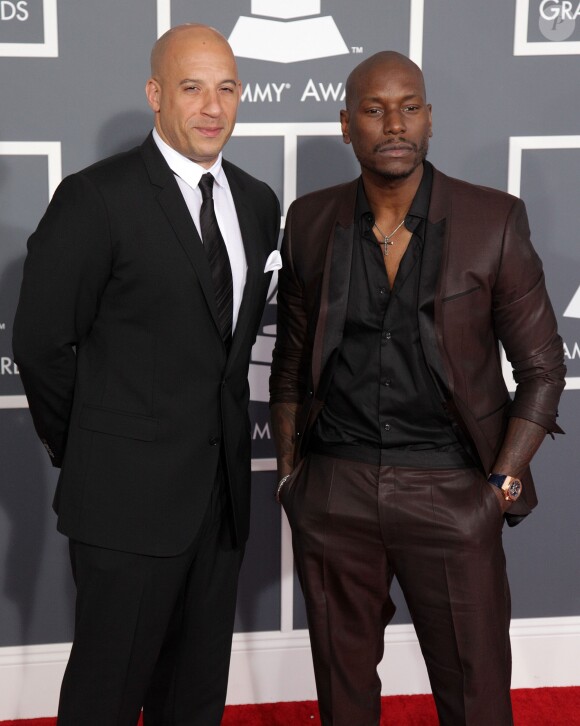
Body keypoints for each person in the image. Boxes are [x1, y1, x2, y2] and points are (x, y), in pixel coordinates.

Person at [269, 51, 565, 726]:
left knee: (477, 700)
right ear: (348, 125)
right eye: (374, 110)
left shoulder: (492, 220)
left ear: (429, 119)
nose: (393, 123)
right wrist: (293, 479)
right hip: (335, 491)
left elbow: (544, 369)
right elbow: (288, 363)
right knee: (343, 703)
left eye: (409, 107)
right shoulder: (310, 221)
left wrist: (497, 489)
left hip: (453, 492)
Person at [13, 23, 280, 726]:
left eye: (226, 89)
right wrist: (98, 451)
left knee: (193, 700)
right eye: (192, 88)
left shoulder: (257, 203)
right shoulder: (95, 198)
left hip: (220, 505)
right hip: (123, 506)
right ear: (156, 94)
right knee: (105, 696)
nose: (211, 107)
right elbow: (41, 347)